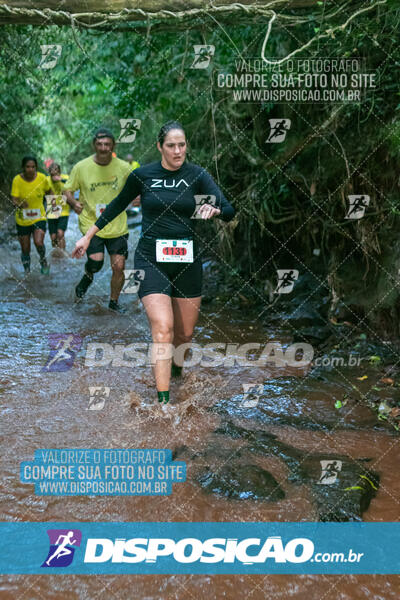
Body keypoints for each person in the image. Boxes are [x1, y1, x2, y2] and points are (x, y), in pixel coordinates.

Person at [72, 120, 235, 404]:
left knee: (184, 335)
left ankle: (176, 367)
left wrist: (216, 210)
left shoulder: (197, 176)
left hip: (188, 260)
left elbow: (230, 209)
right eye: (171, 145)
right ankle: (163, 404)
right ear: (160, 146)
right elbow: (116, 205)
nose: (177, 151)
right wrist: (88, 236)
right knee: (163, 328)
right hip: (151, 258)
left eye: (181, 145)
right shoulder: (143, 175)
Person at [64, 128, 133, 311]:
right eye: (100, 144)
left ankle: (113, 302)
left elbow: (136, 190)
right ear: (94, 145)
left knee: (119, 267)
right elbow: (67, 190)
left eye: (107, 144)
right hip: (90, 223)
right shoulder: (81, 167)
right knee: (96, 262)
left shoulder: (124, 168)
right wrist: (73, 203)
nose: (103, 148)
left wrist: (138, 200)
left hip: (117, 225)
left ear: (113, 146)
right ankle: (87, 277)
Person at [11, 155, 52, 274]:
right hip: (22, 220)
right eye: (28, 167)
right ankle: (27, 272)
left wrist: (55, 210)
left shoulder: (42, 178)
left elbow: (50, 191)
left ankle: (43, 261)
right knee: (25, 249)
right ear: (23, 167)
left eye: (33, 167)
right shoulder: (17, 180)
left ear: (36, 167)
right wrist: (19, 204)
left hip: (39, 217)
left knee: (38, 242)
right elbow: (14, 199)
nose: (30, 169)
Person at [46, 163, 70, 251]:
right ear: (49, 172)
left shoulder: (65, 178)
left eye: (56, 170)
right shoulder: (46, 180)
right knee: (53, 237)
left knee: (60, 233)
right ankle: (56, 253)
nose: (54, 172)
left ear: (59, 171)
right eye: (52, 170)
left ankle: (62, 253)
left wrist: (61, 180)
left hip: (64, 211)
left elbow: (72, 186)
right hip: (52, 210)